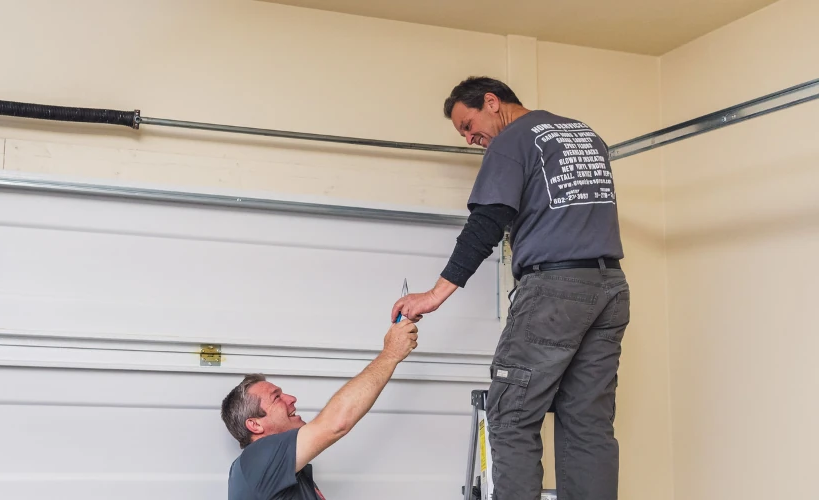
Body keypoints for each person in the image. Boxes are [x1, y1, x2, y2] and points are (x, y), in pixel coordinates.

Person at [390, 76, 630, 500]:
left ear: (491, 102)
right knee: (587, 422)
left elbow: (486, 223)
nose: (469, 138)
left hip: (555, 291)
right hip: (609, 288)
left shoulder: (513, 139)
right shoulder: (585, 135)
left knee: (510, 416)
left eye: (468, 124)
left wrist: (432, 296)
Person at [221, 319, 420, 500]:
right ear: (254, 424)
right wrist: (391, 354)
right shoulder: (257, 459)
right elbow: (336, 424)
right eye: (277, 397)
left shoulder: (285, 472)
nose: (291, 399)